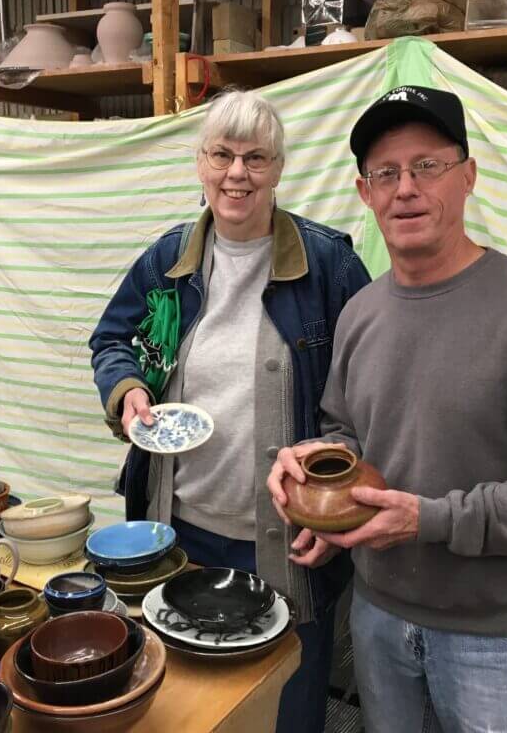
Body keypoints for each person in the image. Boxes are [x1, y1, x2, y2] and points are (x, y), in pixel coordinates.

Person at [267, 85, 507, 733]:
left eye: (428, 166)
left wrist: (430, 520)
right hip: (378, 617)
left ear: (469, 176)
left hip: (497, 639)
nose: (406, 188)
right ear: (365, 193)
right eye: (386, 173)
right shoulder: (361, 313)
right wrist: (319, 469)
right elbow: (346, 430)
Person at [90, 89, 371, 733]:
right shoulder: (169, 260)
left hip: (288, 536)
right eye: (221, 154)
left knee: (289, 703)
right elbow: (111, 339)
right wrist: (129, 389)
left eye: (255, 158)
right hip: (180, 528)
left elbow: (373, 385)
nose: (236, 174)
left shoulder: (328, 262)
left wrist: (338, 502)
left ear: (278, 168)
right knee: (192, 705)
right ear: (200, 162)